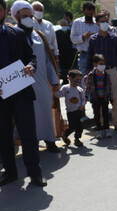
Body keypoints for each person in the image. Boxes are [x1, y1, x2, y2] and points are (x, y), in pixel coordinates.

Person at [0, 0, 46, 187]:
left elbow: (31, 57)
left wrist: (30, 66)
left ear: (3, 12)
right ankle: (10, 172)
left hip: (21, 91)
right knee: (3, 135)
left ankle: (35, 173)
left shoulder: (17, 33)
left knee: (28, 134)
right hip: (1, 95)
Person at [12, 0, 61, 153]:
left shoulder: (39, 35)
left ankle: (50, 140)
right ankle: (24, 145)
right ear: (16, 16)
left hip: (41, 83)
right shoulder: (11, 35)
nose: (28, 18)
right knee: (24, 118)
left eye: (30, 15)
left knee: (45, 113)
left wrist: (54, 80)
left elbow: (48, 60)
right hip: (20, 85)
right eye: (24, 15)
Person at [86, 11, 117, 131]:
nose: (104, 23)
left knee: (116, 97)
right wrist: (88, 71)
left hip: (112, 70)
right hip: (98, 73)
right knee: (100, 98)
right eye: (102, 21)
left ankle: (116, 122)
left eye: (106, 21)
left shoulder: (115, 38)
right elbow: (89, 56)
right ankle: (102, 123)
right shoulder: (93, 39)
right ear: (97, 23)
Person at [54, 69, 85, 147]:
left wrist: (82, 105)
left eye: (80, 80)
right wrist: (54, 91)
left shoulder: (80, 90)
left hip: (79, 111)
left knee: (80, 126)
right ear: (70, 78)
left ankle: (77, 139)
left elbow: (83, 99)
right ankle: (65, 135)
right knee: (72, 126)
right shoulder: (65, 88)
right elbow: (59, 95)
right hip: (71, 112)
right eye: (77, 79)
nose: (78, 81)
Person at [84, 54, 113, 139]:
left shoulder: (107, 75)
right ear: (95, 64)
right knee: (97, 115)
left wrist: (111, 98)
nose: (102, 65)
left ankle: (106, 129)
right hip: (95, 98)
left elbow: (109, 87)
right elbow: (88, 86)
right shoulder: (91, 75)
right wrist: (85, 96)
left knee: (105, 114)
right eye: (100, 64)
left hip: (104, 97)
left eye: (103, 64)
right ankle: (99, 130)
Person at [70, 1, 98, 76]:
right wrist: (83, 37)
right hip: (84, 55)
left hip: (97, 56)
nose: (89, 16)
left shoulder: (97, 22)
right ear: (83, 11)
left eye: (91, 14)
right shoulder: (77, 22)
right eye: (87, 14)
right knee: (84, 79)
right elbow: (73, 40)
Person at [56, 19, 77, 84]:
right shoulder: (57, 33)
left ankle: (72, 80)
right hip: (61, 53)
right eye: (62, 25)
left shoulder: (71, 32)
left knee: (71, 67)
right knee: (63, 68)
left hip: (70, 53)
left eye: (64, 25)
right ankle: (64, 79)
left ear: (67, 25)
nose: (63, 26)